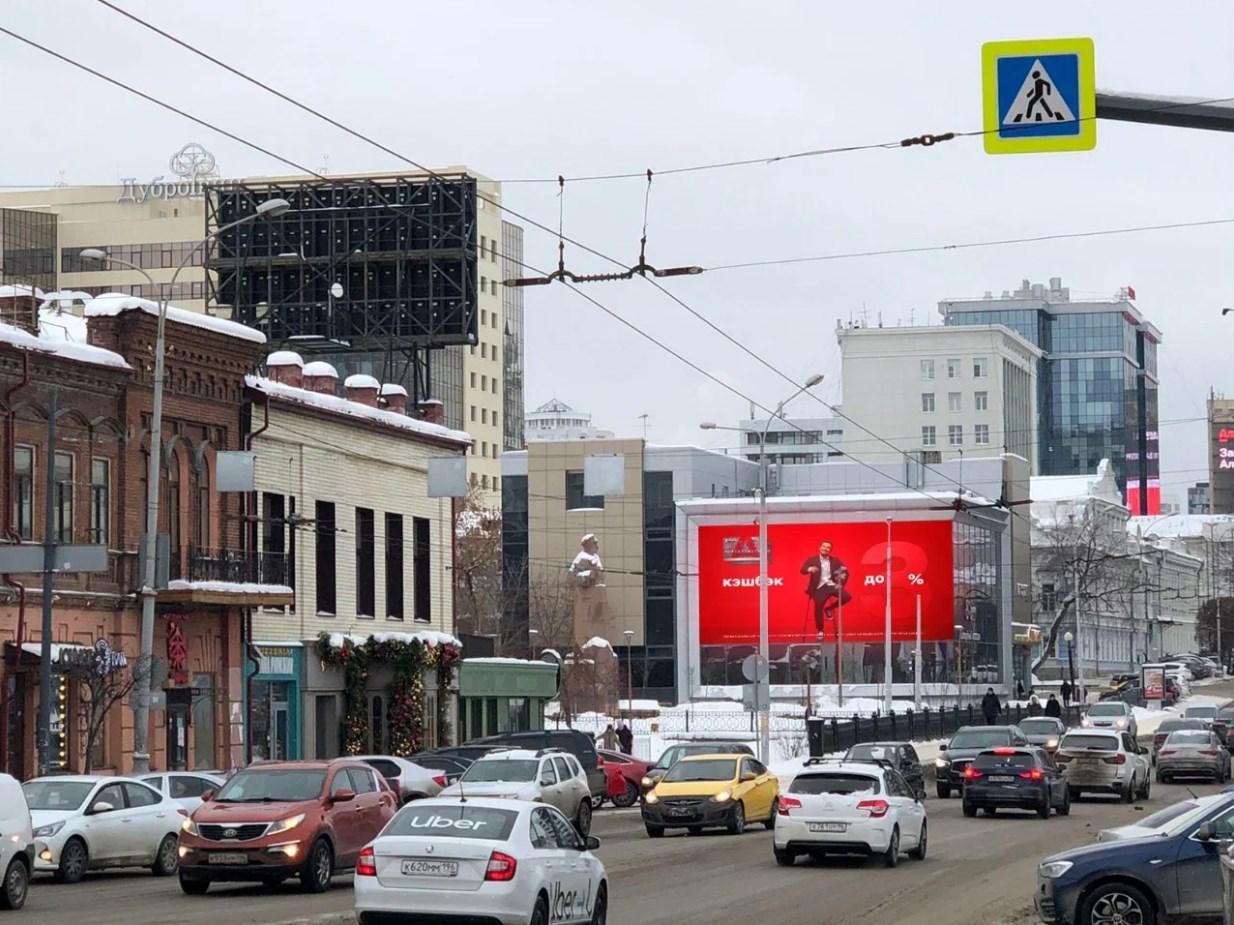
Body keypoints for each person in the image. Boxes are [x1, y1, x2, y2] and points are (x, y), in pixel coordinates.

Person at [800, 541, 854, 633]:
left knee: (847, 597)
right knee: (818, 607)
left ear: (830, 550)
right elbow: (802, 570)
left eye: (828, 547)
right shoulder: (812, 559)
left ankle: (829, 608)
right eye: (823, 546)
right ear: (820, 547)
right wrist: (810, 569)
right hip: (818, 587)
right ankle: (820, 630)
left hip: (831, 585)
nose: (825, 548)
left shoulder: (835, 561)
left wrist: (840, 584)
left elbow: (845, 572)